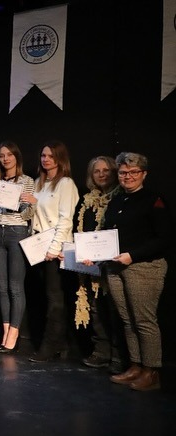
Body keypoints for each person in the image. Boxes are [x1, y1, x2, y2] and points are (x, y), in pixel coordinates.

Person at [88, 152, 171, 392]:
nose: (128, 176)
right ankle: (136, 365)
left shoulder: (154, 199)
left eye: (134, 172)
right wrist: (93, 254)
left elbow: (164, 238)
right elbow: (106, 235)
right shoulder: (117, 200)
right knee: (127, 320)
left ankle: (151, 371)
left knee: (144, 321)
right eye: (123, 172)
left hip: (144, 268)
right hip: (116, 267)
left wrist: (132, 255)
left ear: (143, 174)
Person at [25, 141, 79, 363]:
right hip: (37, 246)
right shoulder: (39, 183)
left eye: (51, 156)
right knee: (44, 298)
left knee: (55, 299)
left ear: (60, 159)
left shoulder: (65, 184)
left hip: (54, 250)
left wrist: (54, 248)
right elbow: (36, 216)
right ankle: (60, 344)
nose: (46, 159)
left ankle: (49, 347)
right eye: (43, 155)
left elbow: (66, 220)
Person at [75, 156, 122, 371]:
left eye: (106, 170)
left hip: (115, 264)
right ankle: (101, 352)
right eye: (97, 171)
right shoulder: (87, 201)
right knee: (95, 308)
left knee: (115, 310)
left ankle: (119, 355)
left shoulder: (120, 198)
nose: (102, 174)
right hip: (91, 265)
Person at [0, 141, 36, 353]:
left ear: (16, 156)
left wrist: (29, 203)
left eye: (9, 155)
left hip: (17, 232)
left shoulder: (26, 181)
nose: (5, 159)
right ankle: (6, 331)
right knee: (1, 286)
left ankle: (14, 334)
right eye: (1, 155)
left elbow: (27, 216)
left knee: (15, 287)